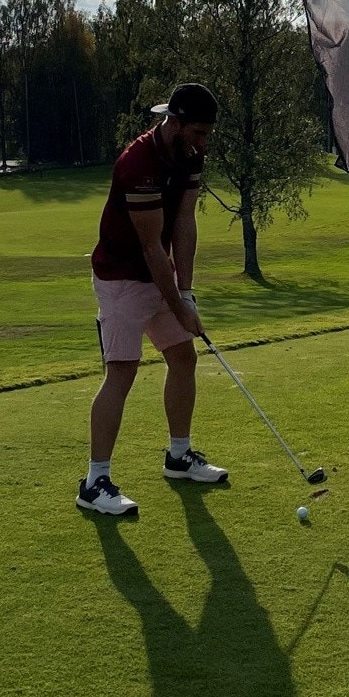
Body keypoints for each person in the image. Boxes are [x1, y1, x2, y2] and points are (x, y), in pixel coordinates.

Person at [78, 83, 229, 517]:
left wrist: (187, 293)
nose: (203, 143)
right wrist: (178, 305)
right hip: (121, 279)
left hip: (159, 275)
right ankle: (94, 483)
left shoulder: (191, 154)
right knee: (122, 372)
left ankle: (179, 457)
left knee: (183, 356)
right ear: (174, 123)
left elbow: (184, 223)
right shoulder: (138, 163)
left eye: (207, 135)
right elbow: (149, 247)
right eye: (198, 133)